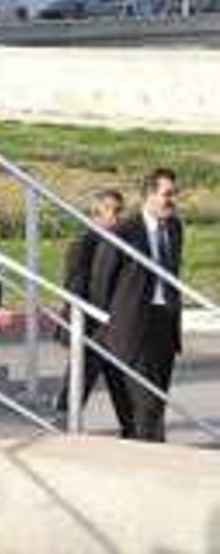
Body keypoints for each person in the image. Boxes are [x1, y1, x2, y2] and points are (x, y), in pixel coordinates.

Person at [91, 168, 184, 442]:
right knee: (145, 406)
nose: (171, 200)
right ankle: (149, 460)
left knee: (157, 403)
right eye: (167, 194)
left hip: (164, 324)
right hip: (133, 328)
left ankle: (146, 455)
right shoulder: (125, 231)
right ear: (149, 195)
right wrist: (114, 321)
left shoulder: (175, 227)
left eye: (173, 194)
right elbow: (101, 279)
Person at [53, 189, 125, 415]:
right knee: (77, 386)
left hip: (116, 327)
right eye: (110, 211)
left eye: (119, 211)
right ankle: (63, 424)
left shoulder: (123, 242)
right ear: (95, 214)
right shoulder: (84, 244)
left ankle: (133, 431)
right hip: (91, 329)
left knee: (124, 389)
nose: (116, 217)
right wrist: (83, 328)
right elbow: (75, 287)